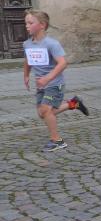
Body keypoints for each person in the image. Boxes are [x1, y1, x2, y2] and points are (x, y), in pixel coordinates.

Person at [22, 10, 89, 151]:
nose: (27, 25)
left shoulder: (51, 44)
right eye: (26, 23)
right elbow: (28, 60)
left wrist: (47, 78)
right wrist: (26, 75)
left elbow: (63, 63)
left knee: (46, 110)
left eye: (30, 23)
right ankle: (74, 103)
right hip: (41, 85)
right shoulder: (27, 44)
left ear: (42, 25)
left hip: (54, 84)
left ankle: (57, 141)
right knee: (42, 113)